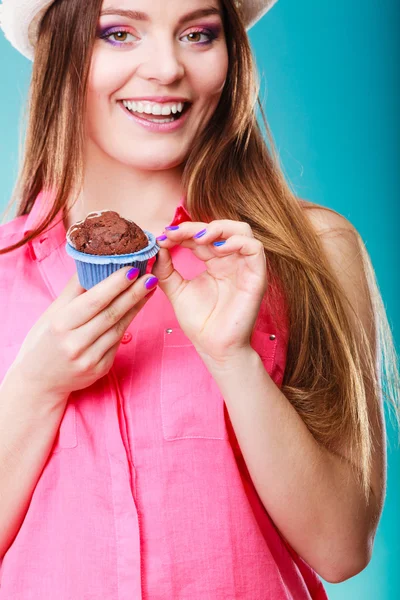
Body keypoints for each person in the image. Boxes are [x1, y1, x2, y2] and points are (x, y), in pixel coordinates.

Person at [0, 0, 398, 597]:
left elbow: (342, 548)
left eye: (197, 33)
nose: (166, 67)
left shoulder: (311, 253)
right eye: (119, 32)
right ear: (61, 51)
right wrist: (36, 389)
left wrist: (234, 362)